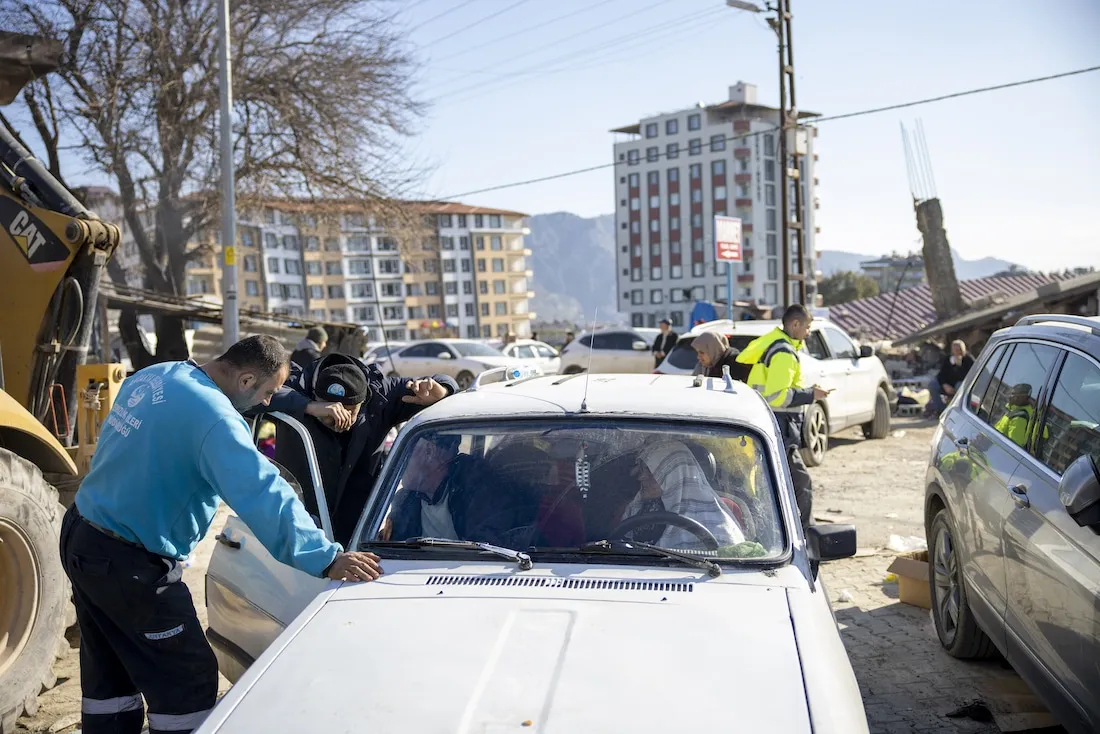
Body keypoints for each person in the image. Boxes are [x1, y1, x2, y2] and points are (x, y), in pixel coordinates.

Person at [60, 336, 382, 734]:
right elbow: (263, 493)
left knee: (109, 678)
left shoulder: (158, 376)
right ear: (246, 379)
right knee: (187, 685)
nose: (268, 402)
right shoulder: (215, 418)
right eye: (267, 392)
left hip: (82, 534)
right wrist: (326, 558)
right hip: (132, 564)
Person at [260, 352, 459, 545]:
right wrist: (307, 406)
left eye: (349, 413)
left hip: (361, 526)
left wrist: (442, 390)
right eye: (329, 412)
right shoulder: (298, 386)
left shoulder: (381, 394)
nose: (338, 420)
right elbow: (243, 394)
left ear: (364, 403)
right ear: (314, 394)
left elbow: (442, 383)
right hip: (298, 522)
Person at [735, 304, 830, 529]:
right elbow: (778, 396)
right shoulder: (784, 353)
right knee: (801, 483)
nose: (808, 332)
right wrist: (811, 394)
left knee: (772, 484)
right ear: (795, 324)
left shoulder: (774, 345)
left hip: (771, 424)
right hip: (781, 427)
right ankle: (806, 535)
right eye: (807, 327)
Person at [379, 435, 539, 546]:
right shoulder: (407, 498)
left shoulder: (482, 490)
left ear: (429, 451)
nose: (400, 464)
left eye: (408, 452)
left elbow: (485, 553)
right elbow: (392, 548)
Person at [618, 440, 744, 550]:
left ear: (675, 475)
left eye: (651, 472)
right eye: (641, 470)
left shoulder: (717, 526)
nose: (641, 477)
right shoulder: (633, 509)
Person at [925, 339, 974, 418]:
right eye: (955, 350)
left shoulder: (968, 359)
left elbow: (968, 376)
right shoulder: (948, 359)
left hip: (961, 385)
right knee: (932, 385)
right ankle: (941, 410)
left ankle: (959, 411)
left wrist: (958, 366)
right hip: (948, 385)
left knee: (960, 386)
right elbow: (941, 375)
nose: (957, 352)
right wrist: (945, 385)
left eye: (959, 350)